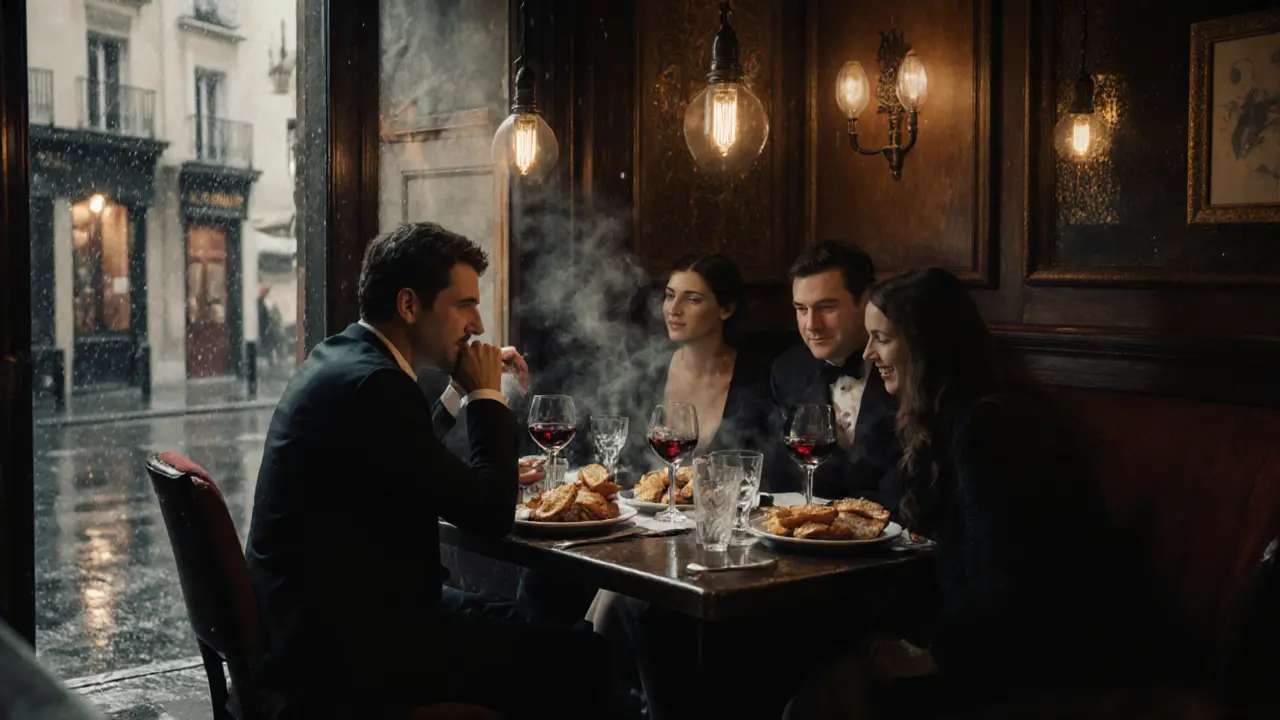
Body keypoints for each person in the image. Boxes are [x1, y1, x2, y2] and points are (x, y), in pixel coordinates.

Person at [244, 222, 608, 719]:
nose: (477, 325)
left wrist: (460, 389)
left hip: (323, 625)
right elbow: (490, 513)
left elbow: (406, 457)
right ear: (410, 305)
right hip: (350, 659)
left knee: (543, 623)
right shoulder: (376, 385)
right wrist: (484, 394)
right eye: (464, 305)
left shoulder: (343, 358)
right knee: (582, 653)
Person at [785, 268, 1133, 718]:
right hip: (983, 635)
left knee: (817, 705)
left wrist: (931, 655)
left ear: (926, 343)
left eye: (882, 338)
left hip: (1039, 655)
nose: (869, 354)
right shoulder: (943, 417)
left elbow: (1006, 578)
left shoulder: (990, 425)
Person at [768, 239, 901, 510]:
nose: (811, 325)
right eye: (801, 309)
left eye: (826, 308)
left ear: (866, 301)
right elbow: (778, 477)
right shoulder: (788, 371)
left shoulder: (906, 369)